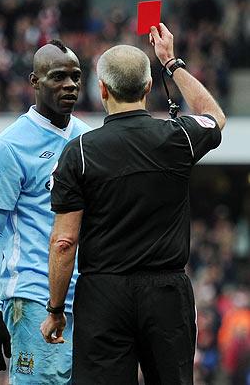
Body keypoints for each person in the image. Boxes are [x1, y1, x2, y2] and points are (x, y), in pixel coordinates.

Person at [40, 23, 226, 385]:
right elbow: (216, 116)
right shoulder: (179, 137)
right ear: (148, 87)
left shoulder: (78, 152)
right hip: (167, 293)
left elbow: (64, 243)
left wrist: (56, 309)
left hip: (103, 295)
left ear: (103, 89)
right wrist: (172, 62)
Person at [0, 40, 90, 385]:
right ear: (35, 81)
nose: (70, 84)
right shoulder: (8, 147)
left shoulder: (89, 140)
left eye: (75, 76)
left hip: (88, 301)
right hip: (34, 300)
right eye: (58, 77)